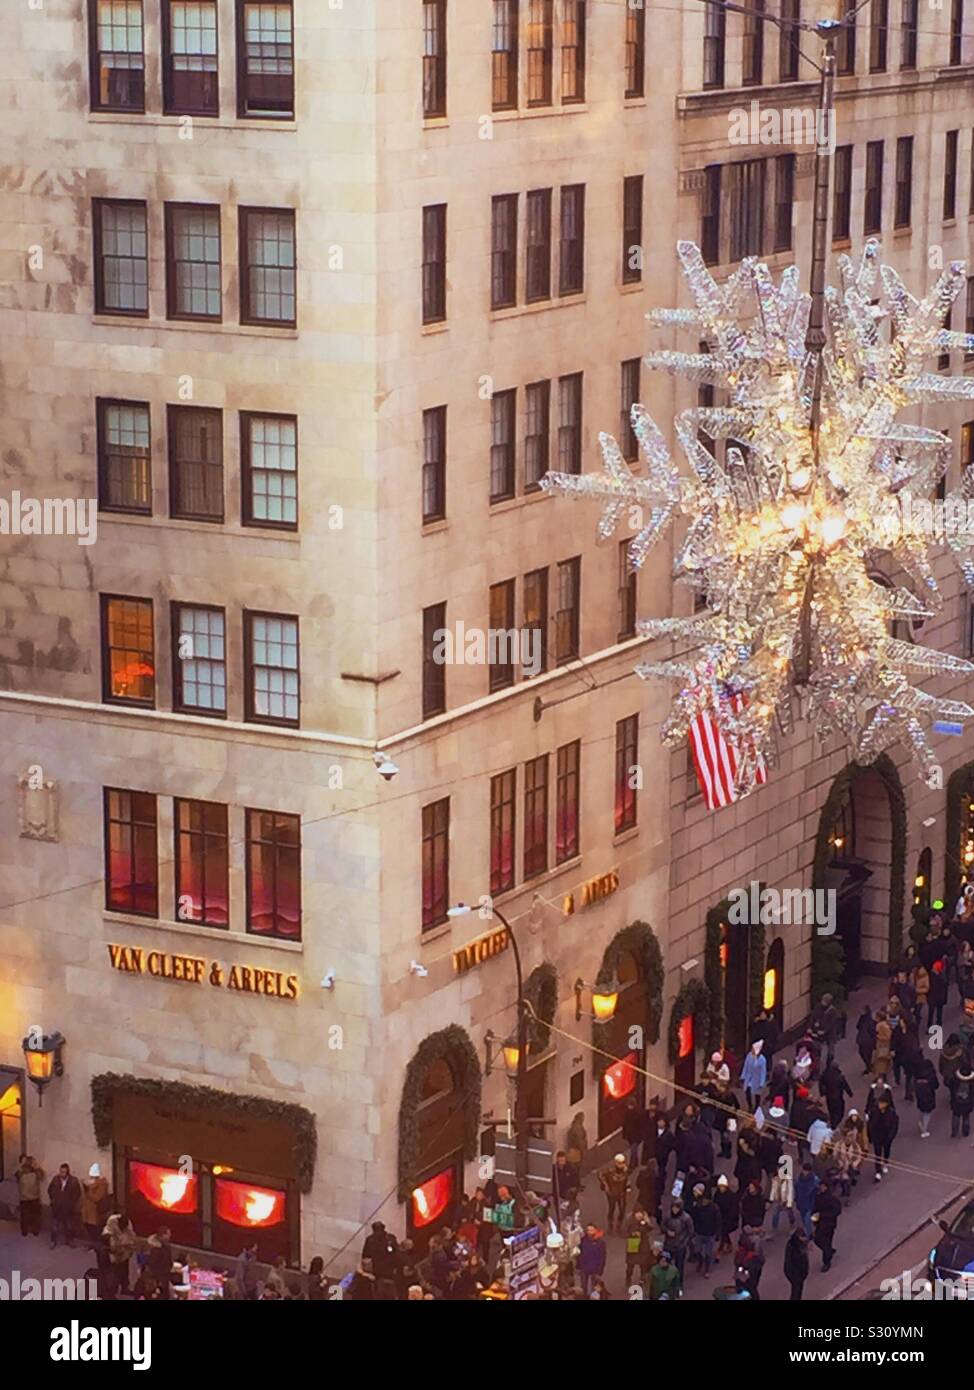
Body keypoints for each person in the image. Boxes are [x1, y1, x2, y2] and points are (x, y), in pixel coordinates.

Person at [47, 1163, 81, 1249]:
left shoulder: (73, 1181)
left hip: (68, 1207)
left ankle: (69, 1240)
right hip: (57, 1206)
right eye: (61, 1172)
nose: (61, 1174)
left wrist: (72, 1203)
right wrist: (53, 1200)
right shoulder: (55, 1179)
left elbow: (77, 1193)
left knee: (69, 1225)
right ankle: (53, 1241)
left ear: (67, 1173)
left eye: (64, 1172)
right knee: (55, 1225)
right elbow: (50, 1190)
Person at [102, 1211, 137, 1295]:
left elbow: (132, 1237)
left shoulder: (128, 1226)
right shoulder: (111, 1223)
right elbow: (107, 1237)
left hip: (124, 1252)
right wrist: (114, 1248)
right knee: (113, 1272)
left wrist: (129, 1248)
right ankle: (111, 1291)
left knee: (124, 1272)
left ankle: (125, 1288)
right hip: (112, 1252)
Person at [690, 1184, 721, 1276]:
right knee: (697, 1250)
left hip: (710, 1233)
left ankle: (707, 1269)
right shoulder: (697, 1207)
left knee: (708, 1253)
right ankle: (700, 1262)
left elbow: (718, 1221)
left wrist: (717, 1234)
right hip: (699, 1232)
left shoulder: (714, 1208)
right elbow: (694, 1218)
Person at [867, 1094, 899, 1181]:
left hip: (887, 1137)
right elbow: (870, 1124)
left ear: (886, 1104)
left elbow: (894, 1125)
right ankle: (877, 1171)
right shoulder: (874, 1112)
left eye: (882, 1103)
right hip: (877, 1136)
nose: (879, 1105)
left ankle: (885, 1162)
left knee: (886, 1151)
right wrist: (870, 1135)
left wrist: (891, 1136)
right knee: (877, 1154)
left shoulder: (892, 1113)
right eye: (879, 1103)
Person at [661, 1199, 694, 1283]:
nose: (674, 1210)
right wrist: (667, 1231)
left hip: (680, 1246)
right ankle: (666, 1282)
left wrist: (684, 1243)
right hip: (668, 1245)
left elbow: (690, 1232)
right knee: (665, 1264)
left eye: (677, 1208)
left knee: (679, 1266)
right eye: (673, 1208)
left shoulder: (686, 1218)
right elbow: (662, 1226)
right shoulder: (668, 1216)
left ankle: (678, 1283)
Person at [811, 1181, 841, 1272]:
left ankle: (826, 1262)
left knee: (826, 1242)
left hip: (829, 1224)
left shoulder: (832, 1199)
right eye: (821, 1186)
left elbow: (837, 1211)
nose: (821, 1188)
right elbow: (815, 1208)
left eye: (823, 1186)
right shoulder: (818, 1197)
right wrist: (814, 1216)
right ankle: (829, 1251)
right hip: (820, 1224)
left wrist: (823, 1215)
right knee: (818, 1240)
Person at [598, 1154, 631, 1233]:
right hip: (611, 1193)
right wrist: (605, 1185)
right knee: (611, 1209)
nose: (621, 1164)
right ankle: (610, 1226)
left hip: (622, 1193)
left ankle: (618, 1226)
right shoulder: (610, 1171)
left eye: (622, 1162)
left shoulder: (626, 1171)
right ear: (616, 1162)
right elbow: (600, 1175)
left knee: (622, 1210)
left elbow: (627, 1180)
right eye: (619, 1163)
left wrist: (628, 1188)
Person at [80, 1163, 108, 1248]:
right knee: (88, 1227)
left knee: (95, 1229)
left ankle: (96, 1245)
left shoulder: (102, 1185)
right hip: (87, 1211)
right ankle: (92, 1243)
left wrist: (87, 1191)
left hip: (94, 1211)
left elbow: (96, 1198)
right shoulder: (90, 1182)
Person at [14, 1155, 43, 1238]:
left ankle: (35, 1230)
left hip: (35, 1197)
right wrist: (21, 1165)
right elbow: (15, 1174)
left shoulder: (35, 1170)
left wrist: (37, 1167)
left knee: (35, 1215)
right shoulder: (20, 1171)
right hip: (24, 1198)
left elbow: (41, 1176)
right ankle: (24, 1231)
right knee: (24, 1216)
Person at [624, 1207, 654, 1284]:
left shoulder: (644, 1220)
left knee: (643, 1263)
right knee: (630, 1264)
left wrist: (647, 1222)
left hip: (643, 1243)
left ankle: (642, 1278)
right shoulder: (629, 1220)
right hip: (633, 1243)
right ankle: (628, 1277)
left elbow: (650, 1228)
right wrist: (632, 1234)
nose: (639, 1216)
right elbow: (624, 1232)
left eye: (641, 1214)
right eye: (638, 1214)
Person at [819, 1060, 853, 1128]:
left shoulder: (825, 1075)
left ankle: (832, 1122)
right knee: (839, 1112)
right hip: (838, 1097)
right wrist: (850, 1093)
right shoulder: (839, 1076)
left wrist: (822, 1093)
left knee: (831, 1111)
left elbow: (821, 1083)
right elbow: (845, 1085)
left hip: (829, 1097)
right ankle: (835, 1124)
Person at [809, 993, 840, 1065]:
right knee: (817, 1046)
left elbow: (831, 1023)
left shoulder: (832, 1011)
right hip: (818, 1031)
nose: (823, 1002)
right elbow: (813, 1017)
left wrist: (824, 1031)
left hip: (829, 1033)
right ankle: (817, 1059)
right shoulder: (818, 1007)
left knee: (830, 1046)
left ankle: (829, 1060)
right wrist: (810, 1027)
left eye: (825, 1001)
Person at [913, 1054, 939, 1137]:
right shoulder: (931, 1075)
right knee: (927, 1112)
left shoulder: (918, 1074)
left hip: (920, 1094)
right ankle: (924, 1129)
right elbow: (936, 1085)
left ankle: (920, 1122)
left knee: (921, 1109)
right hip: (929, 1095)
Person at [577, 1223, 606, 1297]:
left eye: (592, 1230)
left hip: (595, 1268)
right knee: (583, 1286)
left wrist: (600, 1270)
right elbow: (579, 1253)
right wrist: (578, 1266)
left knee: (594, 1287)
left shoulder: (600, 1242)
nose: (590, 1232)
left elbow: (602, 1257)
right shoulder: (583, 1240)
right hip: (584, 1267)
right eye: (588, 1230)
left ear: (596, 1230)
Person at [715, 1174, 740, 1256]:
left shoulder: (731, 1196)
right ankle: (728, 1244)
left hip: (727, 1218)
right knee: (724, 1233)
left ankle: (720, 1249)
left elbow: (734, 1209)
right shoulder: (717, 1193)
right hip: (720, 1217)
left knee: (723, 1232)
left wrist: (731, 1218)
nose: (721, 1188)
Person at [145, 1226, 172, 1298]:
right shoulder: (156, 1249)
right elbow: (152, 1264)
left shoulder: (165, 1246)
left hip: (164, 1276)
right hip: (158, 1278)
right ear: (163, 1235)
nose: (170, 1236)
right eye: (168, 1234)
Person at [948, 1062, 974, 1138]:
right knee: (966, 1116)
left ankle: (954, 1132)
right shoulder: (972, 1081)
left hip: (956, 1101)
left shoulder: (955, 1079)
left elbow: (950, 1087)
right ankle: (965, 1132)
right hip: (968, 1102)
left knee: (956, 1116)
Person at [784, 1227, 810, 1301]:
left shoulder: (793, 1243)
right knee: (796, 1292)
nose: (805, 1239)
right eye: (803, 1237)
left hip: (797, 1273)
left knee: (796, 1291)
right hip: (795, 1274)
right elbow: (797, 1261)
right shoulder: (794, 1247)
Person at [794, 1161, 820, 1236]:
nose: (805, 1172)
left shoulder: (815, 1180)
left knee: (807, 1220)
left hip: (810, 1203)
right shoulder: (799, 1178)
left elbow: (818, 1191)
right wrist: (796, 1198)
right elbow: (796, 1189)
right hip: (801, 1202)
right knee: (804, 1220)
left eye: (807, 1171)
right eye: (804, 1170)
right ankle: (809, 1232)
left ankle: (809, 1235)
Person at [741, 1040, 768, 1111]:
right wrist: (743, 1076)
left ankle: (757, 1105)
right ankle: (750, 1105)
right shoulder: (749, 1056)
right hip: (749, 1077)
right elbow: (745, 1066)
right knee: (747, 1091)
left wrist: (762, 1082)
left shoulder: (762, 1060)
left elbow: (763, 1072)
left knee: (757, 1093)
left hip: (757, 1078)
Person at [622, 1099, 646, 1170]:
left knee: (633, 1150)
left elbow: (626, 1125)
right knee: (634, 1149)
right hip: (632, 1135)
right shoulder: (629, 1113)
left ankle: (632, 1165)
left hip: (635, 1135)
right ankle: (636, 1162)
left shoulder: (637, 1114)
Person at [871, 1011, 893, 1079]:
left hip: (883, 1045)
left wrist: (879, 1037)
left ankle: (880, 1075)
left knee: (881, 1060)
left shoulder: (881, 1025)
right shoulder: (885, 1024)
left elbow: (889, 1036)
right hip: (883, 1045)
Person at [856, 1006, 876, 1076]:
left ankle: (869, 1068)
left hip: (867, 1040)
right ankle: (869, 1066)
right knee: (862, 1053)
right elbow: (857, 1026)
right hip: (862, 1039)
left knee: (867, 1054)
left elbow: (872, 1030)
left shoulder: (870, 1020)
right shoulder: (862, 1018)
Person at [928, 959, 948, 1029]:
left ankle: (938, 1022)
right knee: (932, 1011)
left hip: (938, 995)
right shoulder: (933, 975)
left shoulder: (940, 975)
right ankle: (930, 1025)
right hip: (933, 995)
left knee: (938, 1011)